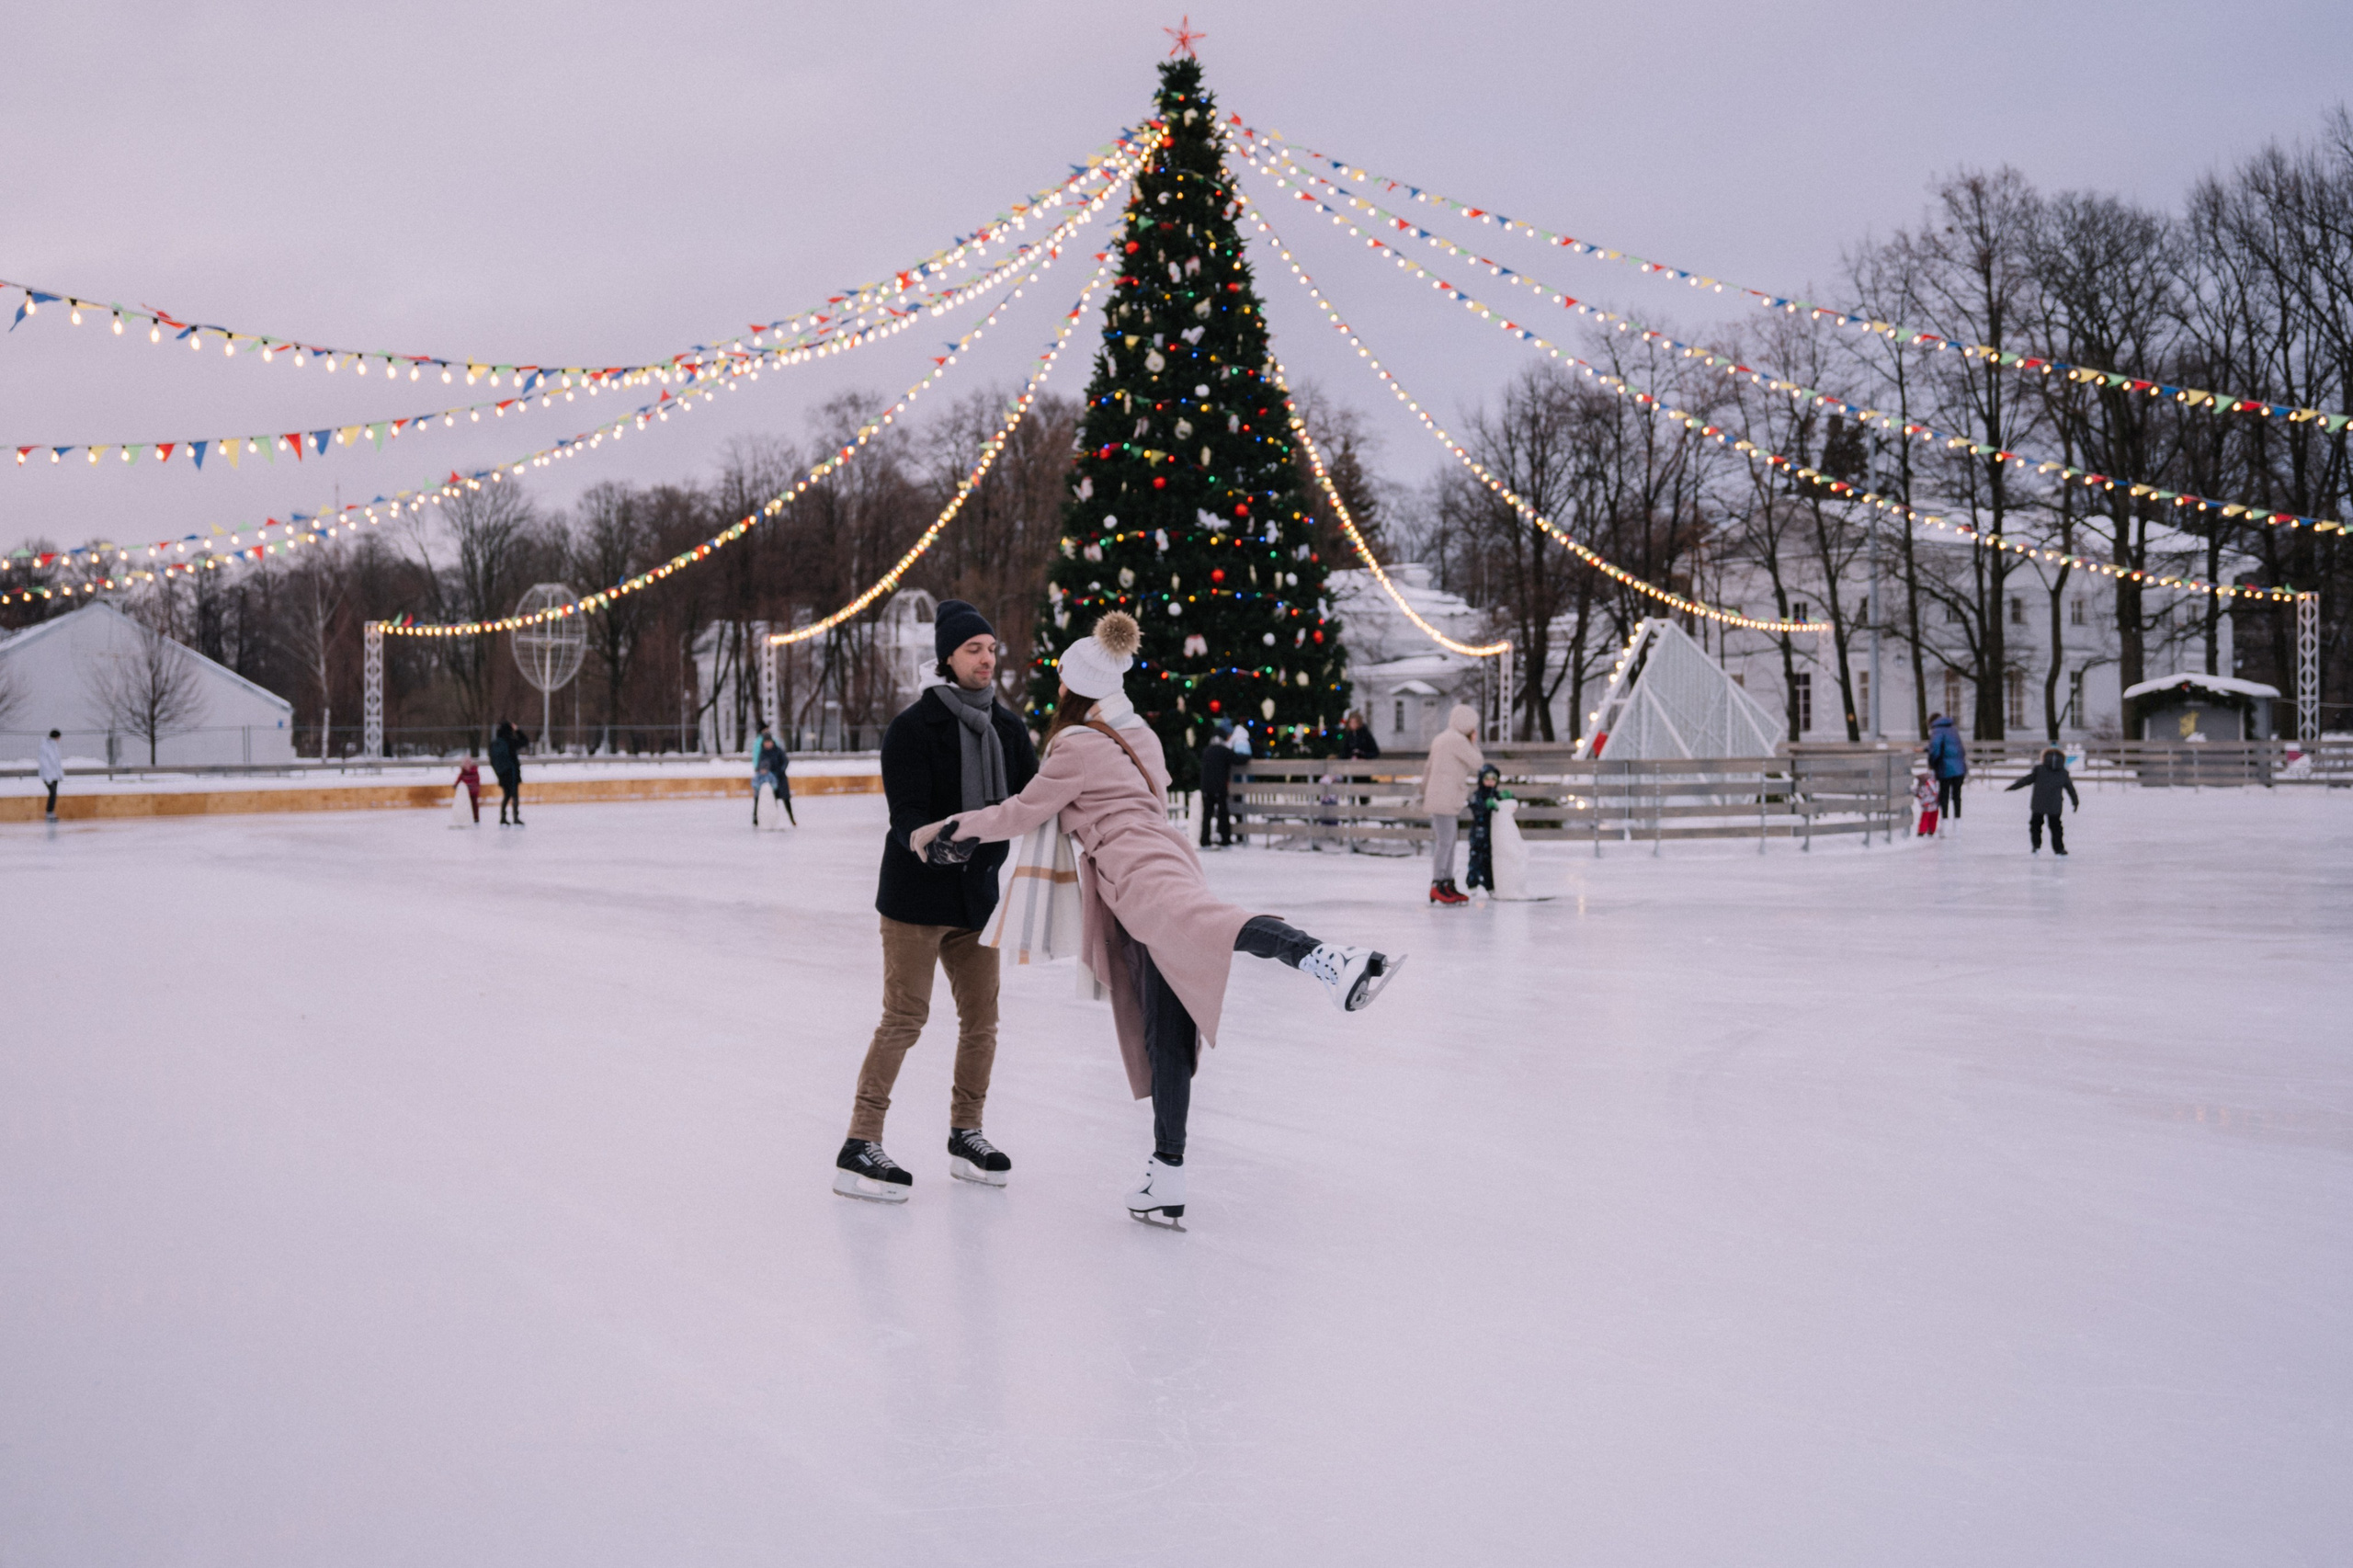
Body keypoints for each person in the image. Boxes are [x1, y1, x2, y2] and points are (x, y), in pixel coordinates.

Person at [909, 612, 1401, 1231]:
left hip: (1134, 869)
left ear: (1071, 688)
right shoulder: (1138, 733)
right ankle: (1166, 1174)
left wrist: (946, 829)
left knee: (1211, 927)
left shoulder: (1075, 746)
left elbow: (1017, 814)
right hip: (1167, 854)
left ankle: (1328, 958)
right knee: (1165, 1029)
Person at [834, 601, 1040, 1204]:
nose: (986, 659)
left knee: (982, 1021)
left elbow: (1034, 796)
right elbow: (907, 814)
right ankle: (859, 1142)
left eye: (992, 649)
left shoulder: (1008, 729)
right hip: (915, 898)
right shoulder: (912, 728)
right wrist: (924, 836)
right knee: (906, 1017)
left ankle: (965, 1133)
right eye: (974, 649)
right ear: (947, 656)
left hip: (975, 897)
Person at [1422, 702, 1483, 905]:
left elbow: (1428, 768)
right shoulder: (1457, 740)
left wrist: (1424, 792)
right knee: (1446, 843)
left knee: (1447, 842)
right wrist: (1473, 742)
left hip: (1439, 797)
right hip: (1446, 798)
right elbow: (1478, 763)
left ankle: (1445, 883)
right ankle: (1439, 884)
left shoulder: (1441, 738)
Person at [2006, 746, 2081, 855]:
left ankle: (2036, 846)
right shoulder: (2063, 772)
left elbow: (2026, 780)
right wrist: (2075, 802)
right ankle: (2059, 849)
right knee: (2056, 827)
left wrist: (2013, 787)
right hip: (2055, 805)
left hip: (2038, 804)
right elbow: (2071, 789)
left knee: (2036, 825)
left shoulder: (2039, 770)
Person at [1463, 764, 1510, 895]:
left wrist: (1508, 798)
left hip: (1493, 833)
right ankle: (1472, 883)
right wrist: (1485, 806)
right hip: (1479, 832)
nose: (1490, 782)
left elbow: (1506, 804)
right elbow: (1475, 806)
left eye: (1493, 779)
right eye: (1487, 778)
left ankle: (1490, 884)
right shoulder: (1477, 795)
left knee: (1490, 860)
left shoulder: (1496, 794)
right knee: (1476, 858)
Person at [1197, 720, 1235, 848]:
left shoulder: (1206, 751)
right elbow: (1237, 759)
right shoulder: (1223, 751)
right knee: (1223, 812)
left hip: (1206, 787)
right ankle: (1225, 838)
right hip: (1219, 787)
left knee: (1207, 814)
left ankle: (1205, 840)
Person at [1926, 711, 1968, 828]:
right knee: (1956, 795)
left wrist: (1932, 763)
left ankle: (1944, 822)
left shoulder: (1937, 730)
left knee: (1944, 794)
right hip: (1959, 767)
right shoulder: (1953, 729)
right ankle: (1957, 822)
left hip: (1945, 768)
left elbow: (1935, 749)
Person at [752, 722, 795, 827]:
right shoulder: (762, 750)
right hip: (768, 779)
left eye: (769, 742)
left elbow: (785, 761)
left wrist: (781, 770)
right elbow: (759, 761)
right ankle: (759, 818)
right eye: (766, 742)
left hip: (780, 778)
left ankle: (791, 818)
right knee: (767, 798)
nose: (768, 744)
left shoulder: (778, 750)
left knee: (785, 798)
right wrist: (761, 770)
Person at [488, 720, 525, 826]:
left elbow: (491, 760)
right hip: (512, 772)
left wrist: (498, 773)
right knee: (514, 795)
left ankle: (503, 817)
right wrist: (517, 730)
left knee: (506, 795)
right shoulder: (510, 741)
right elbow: (525, 741)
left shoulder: (494, 744)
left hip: (502, 773)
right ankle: (515, 817)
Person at [37, 729, 63, 822]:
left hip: (54, 775)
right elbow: (44, 762)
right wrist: (48, 776)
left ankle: (51, 813)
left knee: (54, 794)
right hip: (47, 775)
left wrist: (60, 774)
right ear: (57, 737)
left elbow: (57, 762)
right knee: (53, 793)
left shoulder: (54, 747)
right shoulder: (45, 747)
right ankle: (49, 813)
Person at [455, 758, 482, 824]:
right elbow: (459, 778)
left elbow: (476, 780)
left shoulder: (474, 771)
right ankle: (466, 818)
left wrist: (472, 786)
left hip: (474, 792)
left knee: (474, 805)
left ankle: (476, 818)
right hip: (466, 793)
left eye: (468, 763)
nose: (467, 765)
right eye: (465, 763)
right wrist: (455, 785)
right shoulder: (463, 772)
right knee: (465, 806)